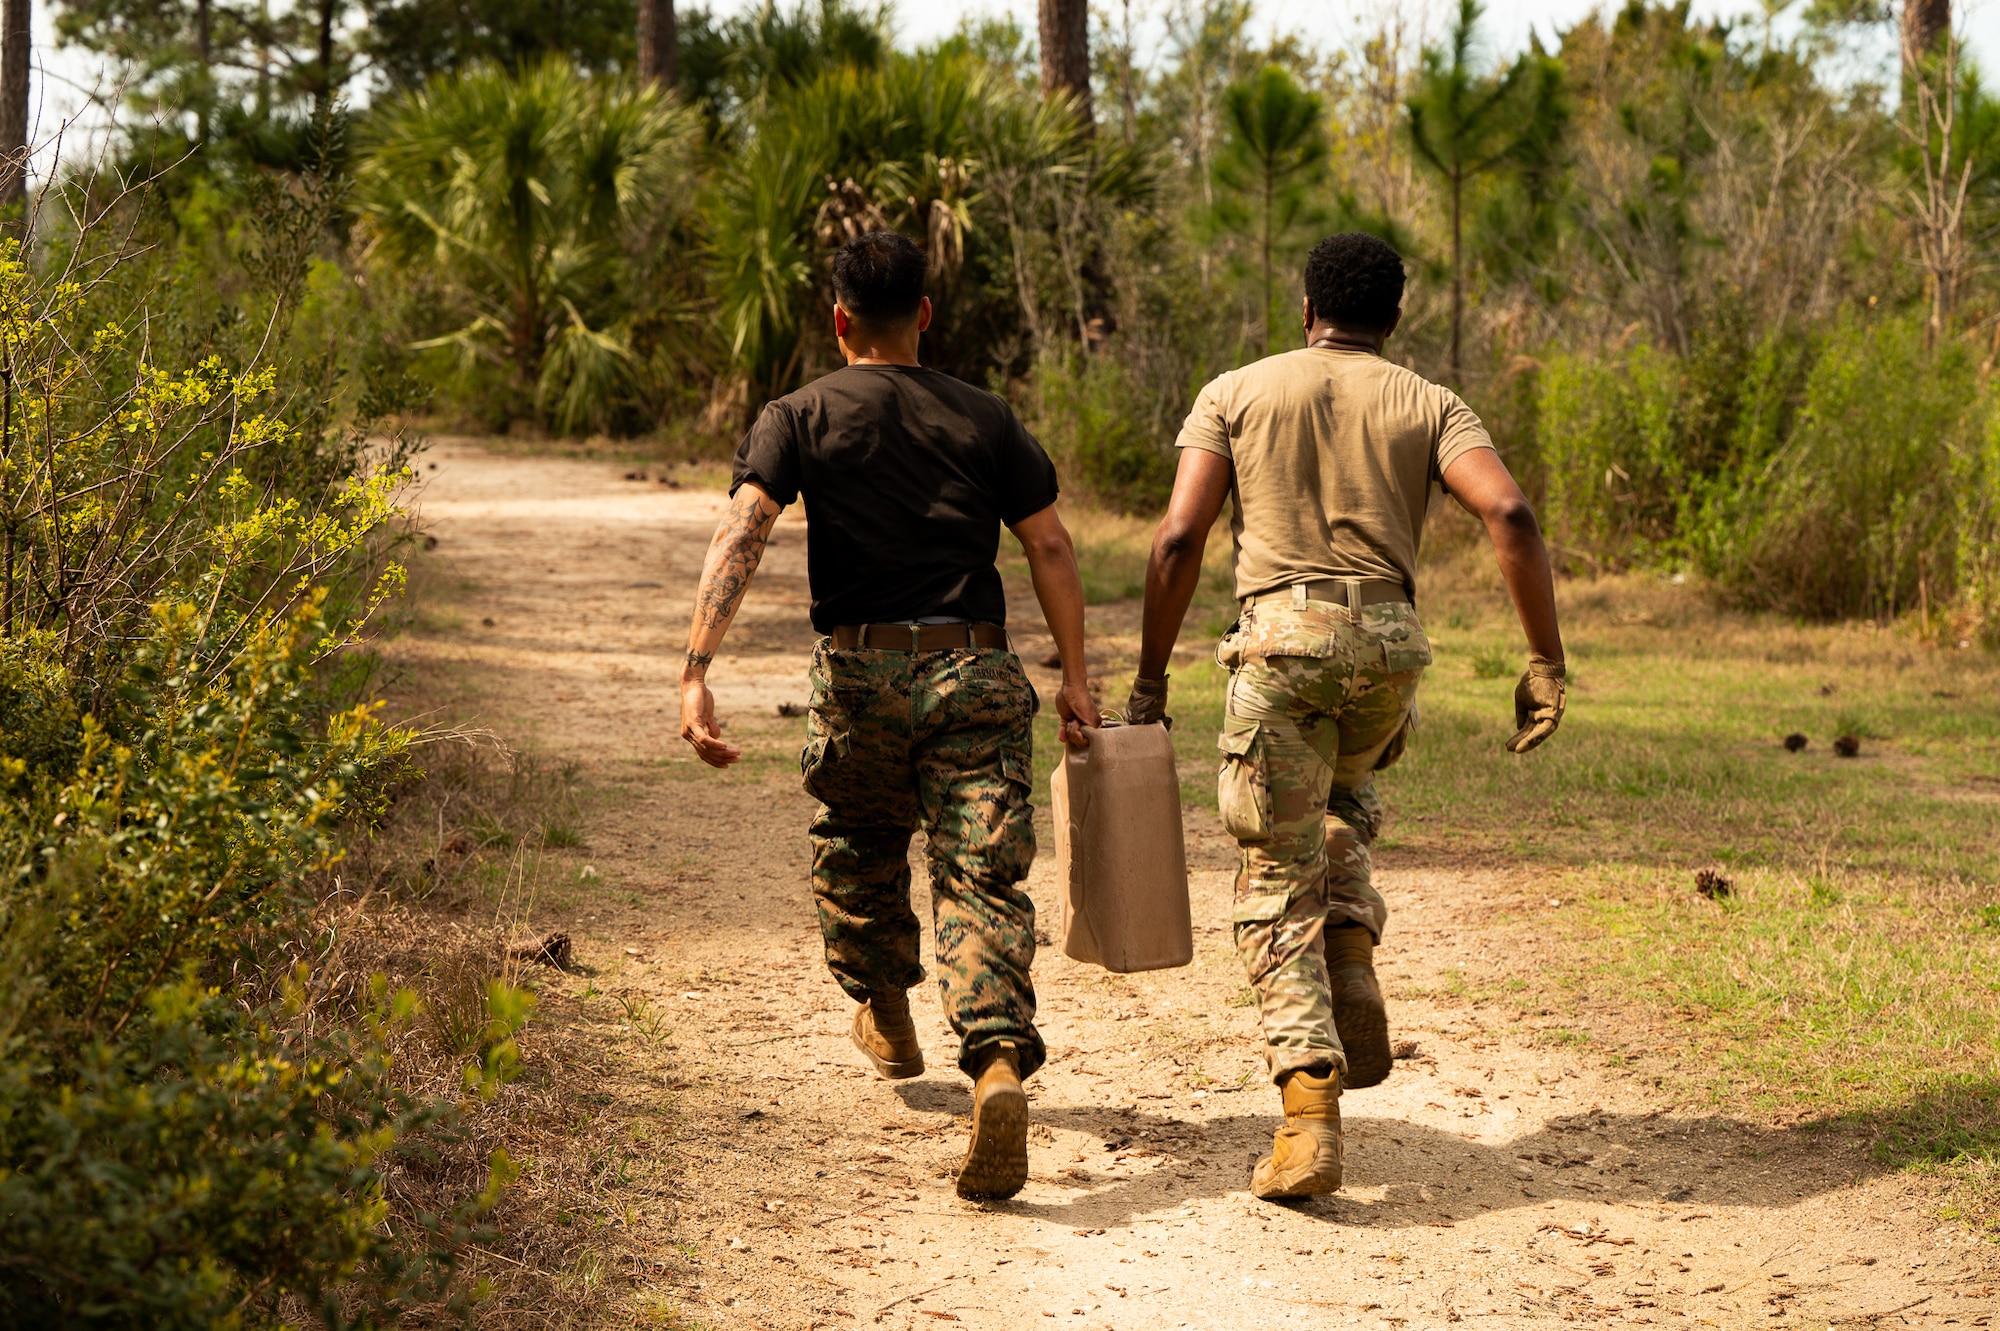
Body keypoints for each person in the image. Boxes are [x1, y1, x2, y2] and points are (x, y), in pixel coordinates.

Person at [1125, 232, 1566, 1201]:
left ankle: (1308, 1103)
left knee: (1273, 862)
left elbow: (1176, 537)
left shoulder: (1234, 390)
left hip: (1281, 645)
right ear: (1394, 316)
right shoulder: (1428, 400)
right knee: (1340, 792)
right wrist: (1543, 658)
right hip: (1386, 650)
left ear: (1303, 307)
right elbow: (1511, 515)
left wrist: (1150, 678)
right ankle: (1351, 935)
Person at [678, 230, 1100, 1201]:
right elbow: (1048, 545)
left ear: (837, 321)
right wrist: (1076, 675)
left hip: (861, 670)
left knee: (858, 840)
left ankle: (885, 1001)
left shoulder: (799, 412)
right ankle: (994, 1060)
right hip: (974, 668)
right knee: (981, 873)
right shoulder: (986, 416)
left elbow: (743, 527)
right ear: (923, 315)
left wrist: (696, 668)